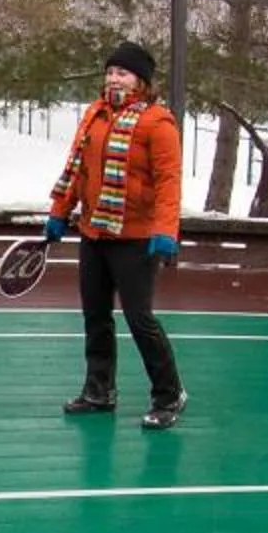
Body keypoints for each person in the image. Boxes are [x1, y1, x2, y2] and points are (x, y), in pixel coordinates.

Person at [42, 41, 187, 428]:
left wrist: (165, 232)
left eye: (121, 72)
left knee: (139, 319)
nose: (113, 78)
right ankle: (98, 391)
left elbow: (168, 182)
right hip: (95, 233)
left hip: (136, 237)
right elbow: (77, 171)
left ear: (140, 80)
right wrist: (59, 213)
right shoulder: (95, 115)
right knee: (96, 315)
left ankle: (169, 395)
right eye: (109, 71)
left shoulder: (158, 123)